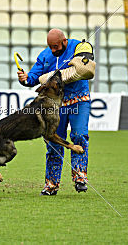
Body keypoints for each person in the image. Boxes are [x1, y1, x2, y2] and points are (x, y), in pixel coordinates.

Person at [17, 29, 92, 195]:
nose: (52, 50)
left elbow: (87, 61)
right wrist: (25, 79)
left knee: (79, 135)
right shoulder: (45, 55)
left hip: (79, 100)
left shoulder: (76, 47)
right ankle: (51, 184)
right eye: (50, 47)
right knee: (52, 143)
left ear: (64, 41)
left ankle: (80, 176)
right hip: (54, 106)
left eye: (55, 46)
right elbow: (33, 78)